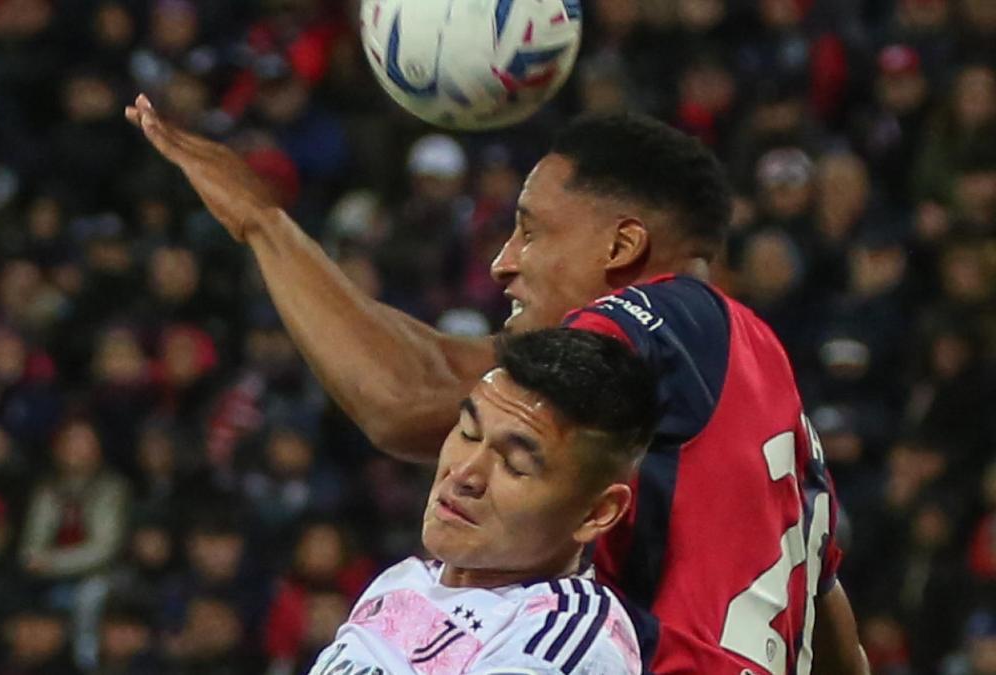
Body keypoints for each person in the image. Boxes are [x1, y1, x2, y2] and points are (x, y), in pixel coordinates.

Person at [126, 97, 869, 674]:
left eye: (531, 230)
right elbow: (831, 631)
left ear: (622, 245)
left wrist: (262, 225)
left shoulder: (654, 317)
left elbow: (406, 401)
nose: (503, 263)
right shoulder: (759, 375)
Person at [311, 328, 655, 674]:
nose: (463, 474)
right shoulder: (404, 581)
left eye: (515, 465)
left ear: (596, 513)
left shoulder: (566, 636)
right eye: (467, 432)